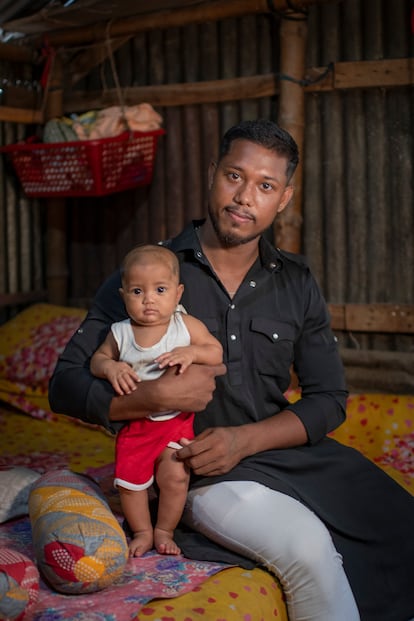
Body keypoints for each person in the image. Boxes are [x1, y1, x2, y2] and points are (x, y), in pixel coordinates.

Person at [49, 119, 414, 621]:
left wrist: (245, 441)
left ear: (283, 198)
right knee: (306, 547)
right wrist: (150, 401)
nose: (245, 196)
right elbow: (64, 383)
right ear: (211, 174)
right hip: (190, 469)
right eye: (234, 176)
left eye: (265, 186)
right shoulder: (151, 275)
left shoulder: (297, 283)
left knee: (400, 518)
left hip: (274, 453)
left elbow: (329, 399)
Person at [90, 244, 223, 557]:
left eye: (160, 289)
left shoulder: (184, 327)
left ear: (177, 294)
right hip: (137, 426)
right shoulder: (120, 333)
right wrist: (111, 366)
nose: (148, 299)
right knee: (130, 486)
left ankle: (164, 529)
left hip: (175, 424)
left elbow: (214, 351)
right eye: (137, 291)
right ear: (124, 296)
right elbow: (98, 359)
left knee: (175, 475)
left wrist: (191, 352)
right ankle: (142, 532)